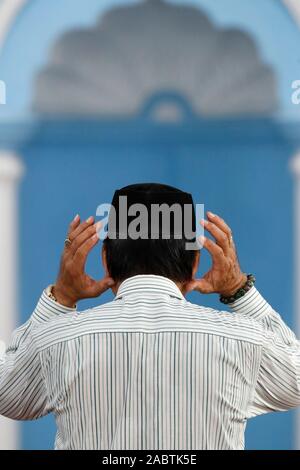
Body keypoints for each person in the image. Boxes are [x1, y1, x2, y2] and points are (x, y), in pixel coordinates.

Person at [0, 182, 299, 450]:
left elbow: (7, 393)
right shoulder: (244, 339)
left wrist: (61, 298)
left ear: (105, 261)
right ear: (195, 263)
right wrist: (238, 289)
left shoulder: (56, 339)